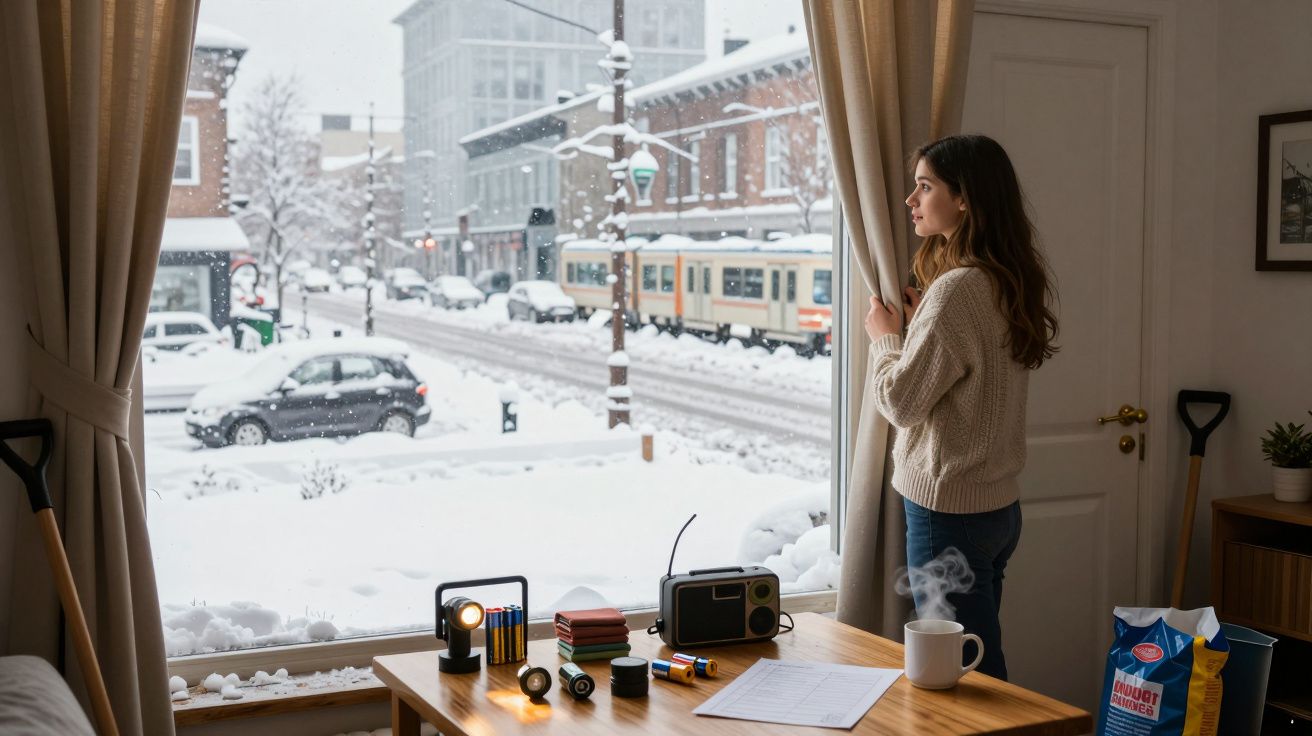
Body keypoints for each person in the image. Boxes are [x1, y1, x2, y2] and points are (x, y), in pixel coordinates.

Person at [864, 134, 1059, 681]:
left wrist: (885, 338)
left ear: (965, 198)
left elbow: (901, 402)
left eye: (925, 187)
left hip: (948, 511)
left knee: (966, 674)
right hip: (998, 511)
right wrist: (924, 322)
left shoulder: (956, 291)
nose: (911, 201)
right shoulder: (1005, 279)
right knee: (976, 659)